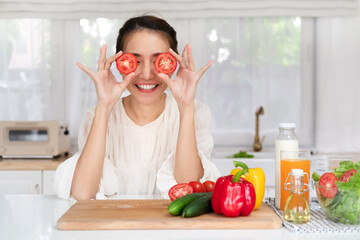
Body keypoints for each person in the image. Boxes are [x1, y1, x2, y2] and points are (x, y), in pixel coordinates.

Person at [54, 15, 220, 200]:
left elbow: (189, 190)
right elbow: (82, 194)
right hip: (112, 227)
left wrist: (186, 107)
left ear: (173, 64)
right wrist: (104, 106)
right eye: (135, 61)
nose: (147, 74)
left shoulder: (195, 113)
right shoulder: (95, 116)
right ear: (119, 64)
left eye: (159, 61)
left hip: (171, 227)